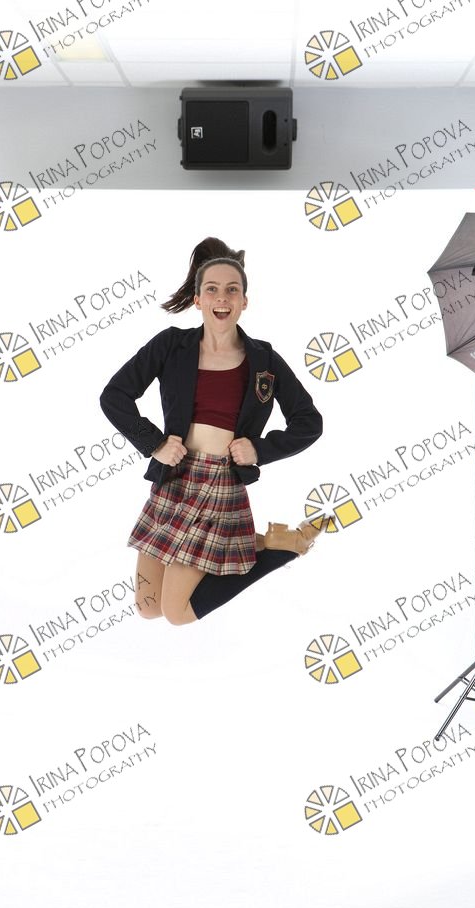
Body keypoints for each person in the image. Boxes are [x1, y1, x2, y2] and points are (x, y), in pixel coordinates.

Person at [100, 237, 324, 625]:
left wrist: (259, 450)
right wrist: (154, 444)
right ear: (198, 300)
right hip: (174, 479)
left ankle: (282, 549)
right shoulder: (171, 345)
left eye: (232, 290)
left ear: (244, 301)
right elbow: (114, 396)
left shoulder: (264, 360)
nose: (222, 297)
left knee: (177, 613)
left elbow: (309, 422)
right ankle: (259, 543)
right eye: (212, 289)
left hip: (219, 486)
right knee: (148, 606)